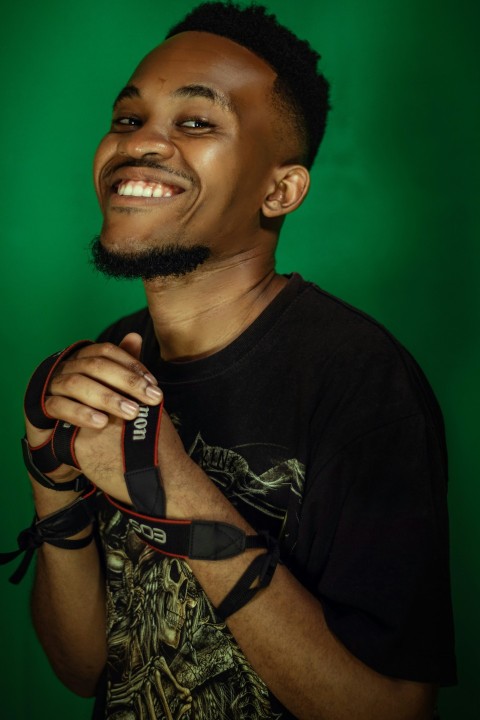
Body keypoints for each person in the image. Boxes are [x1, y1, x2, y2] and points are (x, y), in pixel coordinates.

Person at [18, 2, 456, 718]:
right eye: (128, 118)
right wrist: (50, 476)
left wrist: (172, 488)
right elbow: (83, 667)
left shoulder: (362, 380)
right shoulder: (115, 353)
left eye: (196, 122)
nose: (140, 142)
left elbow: (394, 711)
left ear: (280, 191)